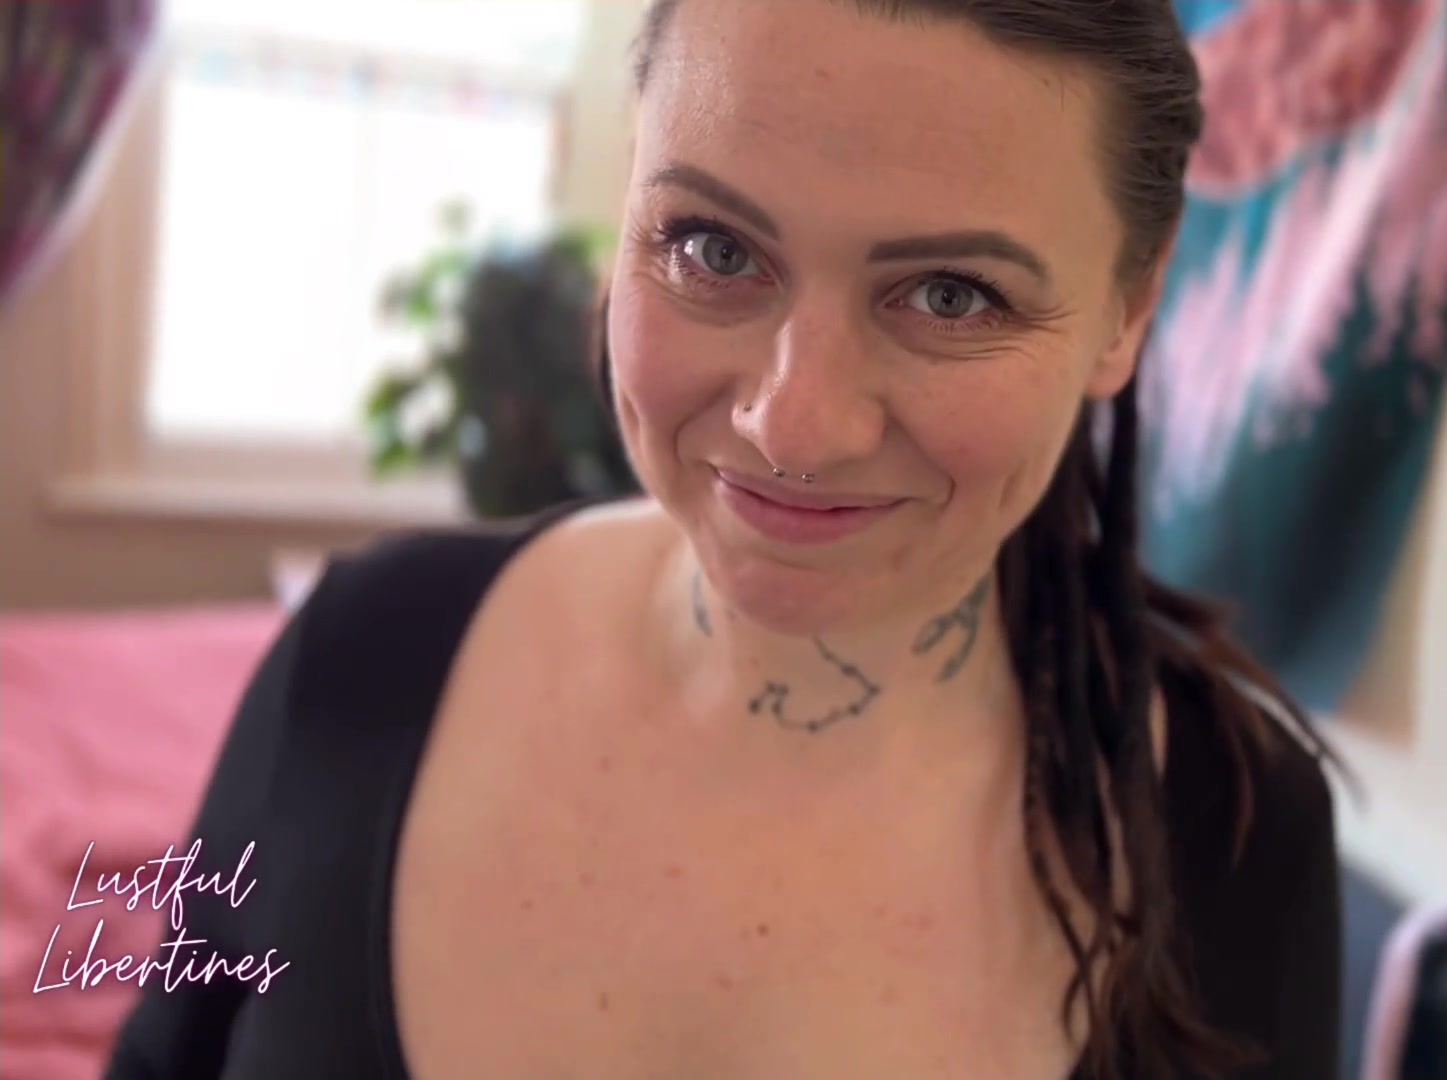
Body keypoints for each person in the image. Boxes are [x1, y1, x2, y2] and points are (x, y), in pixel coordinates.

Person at [105, 1, 1340, 1077]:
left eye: (952, 295)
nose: (792, 424)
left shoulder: (1238, 831)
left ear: (1128, 307)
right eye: (714, 248)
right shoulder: (360, 657)